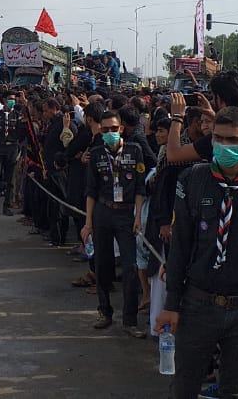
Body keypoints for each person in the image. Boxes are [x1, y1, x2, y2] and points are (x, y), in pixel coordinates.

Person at [155, 106, 238, 399]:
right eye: (218, 139)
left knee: (236, 390)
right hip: (198, 303)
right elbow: (180, 247)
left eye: (233, 141)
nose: (224, 147)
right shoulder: (191, 180)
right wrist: (171, 303)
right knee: (184, 386)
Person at [80, 109, 149, 338]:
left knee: (129, 267)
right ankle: (105, 311)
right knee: (102, 265)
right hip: (102, 212)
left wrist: (138, 216)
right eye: (105, 129)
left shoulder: (135, 150)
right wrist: (88, 223)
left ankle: (130, 321)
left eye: (113, 129)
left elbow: (140, 187)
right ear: (100, 131)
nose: (109, 133)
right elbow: (90, 190)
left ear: (121, 129)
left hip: (127, 214)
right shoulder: (96, 154)